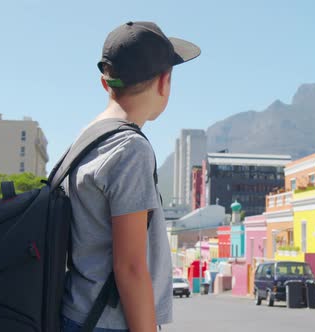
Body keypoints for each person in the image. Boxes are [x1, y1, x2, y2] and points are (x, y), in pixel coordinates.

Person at [61, 21, 200, 332]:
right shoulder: (130, 149)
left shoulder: (87, 138)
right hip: (107, 323)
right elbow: (131, 267)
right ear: (165, 82)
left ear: (105, 83)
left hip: (75, 312)